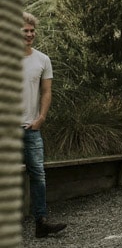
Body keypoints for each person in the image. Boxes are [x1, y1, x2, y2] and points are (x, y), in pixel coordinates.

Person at [21, 12, 68, 238]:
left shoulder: (42, 59)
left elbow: (47, 92)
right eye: (25, 31)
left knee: (38, 175)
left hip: (31, 129)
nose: (30, 34)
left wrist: (41, 118)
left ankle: (41, 223)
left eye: (32, 31)